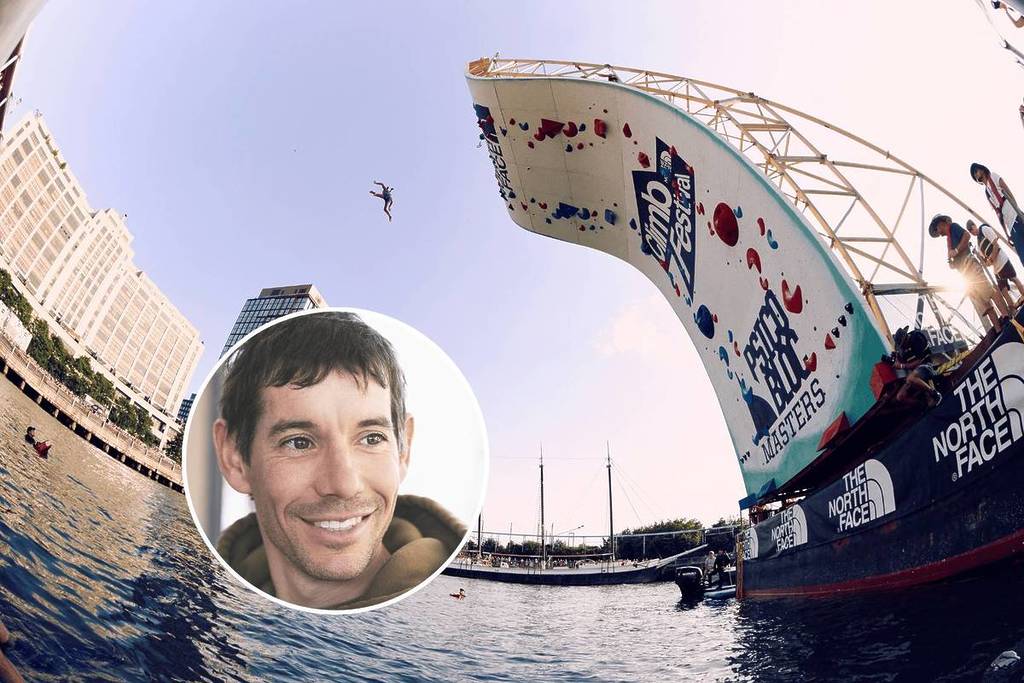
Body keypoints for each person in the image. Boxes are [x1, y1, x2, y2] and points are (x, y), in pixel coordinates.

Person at [212, 311, 466, 610]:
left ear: (404, 450)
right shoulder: (220, 595)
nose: (344, 484)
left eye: (372, 438)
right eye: (299, 442)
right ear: (235, 458)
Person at [928, 214, 1004, 332]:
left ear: (941, 224)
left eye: (937, 228)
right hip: (965, 274)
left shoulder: (953, 227)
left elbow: (966, 235)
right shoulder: (948, 240)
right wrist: (953, 263)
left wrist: (956, 250)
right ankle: (999, 329)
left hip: (971, 267)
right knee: (984, 303)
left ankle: (1006, 316)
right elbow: (955, 256)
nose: (938, 232)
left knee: (989, 292)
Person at [970, 163, 1024, 265]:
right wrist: (1006, 233)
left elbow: (1007, 189)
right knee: (1022, 253)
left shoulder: (993, 176)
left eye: (976, 171)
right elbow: (997, 213)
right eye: (974, 174)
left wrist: (1017, 210)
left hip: (1014, 213)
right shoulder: (987, 192)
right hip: (1008, 221)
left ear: (982, 169)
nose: (976, 174)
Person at [967, 219, 1024, 309]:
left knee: (1013, 278)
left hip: (1003, 261)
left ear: (974, 225)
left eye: (971, 229)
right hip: (996, 269)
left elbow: (996, 244)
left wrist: (992, 258)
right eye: (970, 231)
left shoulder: (984, 229)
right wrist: (987, 262)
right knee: (1003, 290)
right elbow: (987, 262)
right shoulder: (978, 246)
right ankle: (1013, 310)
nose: (971, 232)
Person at [890, 326, 943, 408]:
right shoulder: (903, 351)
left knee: (910, 378)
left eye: (902, 344)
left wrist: (902, 366)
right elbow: (900, 362)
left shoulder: (917, 337)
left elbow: (920, 360)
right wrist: (896, 358)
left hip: (927, 366)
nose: (902, 346)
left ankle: (935, 394)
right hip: (914, 374)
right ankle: (922, 405)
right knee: (900, 396)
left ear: (906, 338)